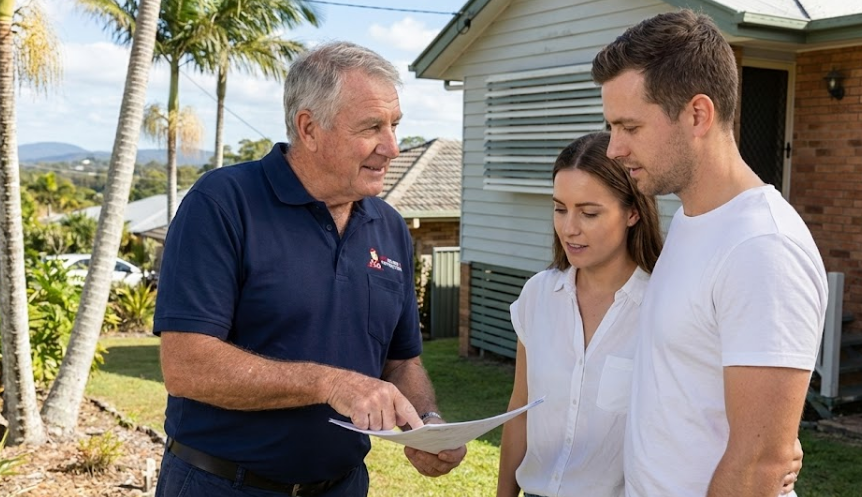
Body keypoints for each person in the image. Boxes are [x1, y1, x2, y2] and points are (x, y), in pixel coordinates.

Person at [153, 41, 467, 497]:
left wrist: (427, 424)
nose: (392, 147)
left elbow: (401, 360)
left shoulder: (390, 226)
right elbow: (186, 365)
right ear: (309, 128)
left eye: (395, 126)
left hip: (343, 486)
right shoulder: (223, 203)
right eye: (372, 127)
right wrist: (329, 383)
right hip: (221, 484)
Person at [592, 9, 828, 497]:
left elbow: (758, 465)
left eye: (629, 127)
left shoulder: (763, 247)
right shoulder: (691, 220)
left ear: (698, 115)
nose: (613, 149)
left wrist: (772, 448)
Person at [496, 132, 663, 497]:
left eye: (588, 213)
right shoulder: (537, 294)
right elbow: (520, 409)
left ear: (633, 211)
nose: (569, 228)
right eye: (560, 208)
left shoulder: (663, 307)